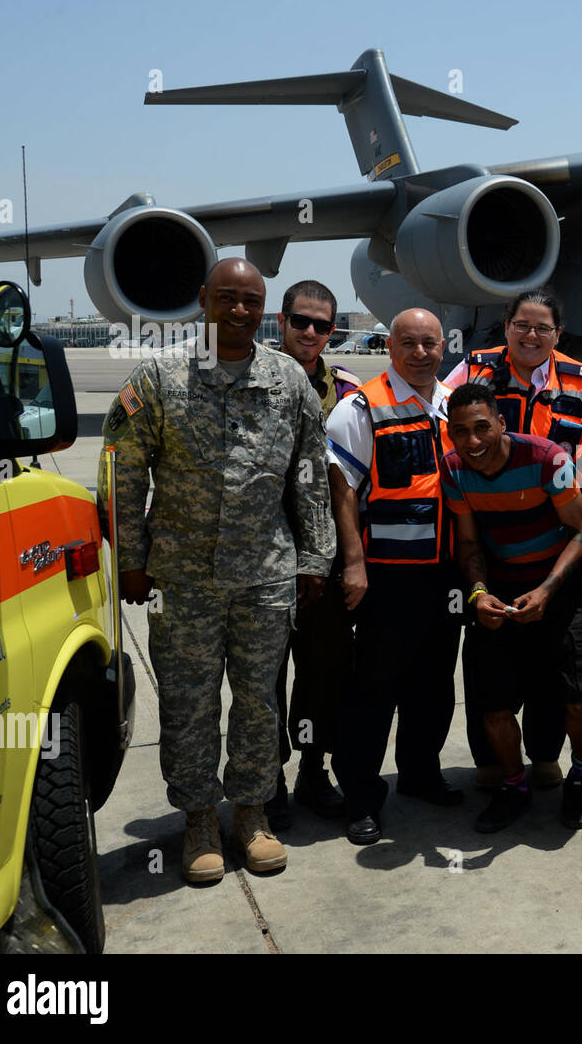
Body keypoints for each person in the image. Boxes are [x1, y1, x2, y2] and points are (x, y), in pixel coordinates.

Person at [100, 257, 335, 884]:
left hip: (265, 575)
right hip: (183, 580)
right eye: (226, 297)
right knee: (188, 703)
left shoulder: (288, 378)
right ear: (203, 298)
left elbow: (310, 475)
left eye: (250, 301)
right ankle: (200, 818)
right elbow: (122, 473)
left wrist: (315, 557)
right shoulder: (160, 377)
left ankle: (251, 813)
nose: (238, 310)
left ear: (265, 310)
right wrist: (130, 562)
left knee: (259, 702)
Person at [443, 288, 582, 790]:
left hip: (555, 525)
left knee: (553, 668)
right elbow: (445, 415)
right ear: (506, 325)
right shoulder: (474, 369)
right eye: (522, 325)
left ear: (557, 334)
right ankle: (496, 765)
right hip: (488, 530)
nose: (531, 335)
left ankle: (547, 757)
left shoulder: (581, 379)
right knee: (490, 671)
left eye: (542, 328)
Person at [326, 308, 464, 846]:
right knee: (375, 688)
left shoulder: (454, 405)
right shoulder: (361, 408)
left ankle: (420, 773)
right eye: (409, 343)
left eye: (430, 343)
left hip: (444, 574)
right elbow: (342, 491)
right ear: (391, 347)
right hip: (387, 576)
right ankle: (360, 796)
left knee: (434, 683)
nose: (421, 353)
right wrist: (354, 563)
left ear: (443, 347)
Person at [266, 280, 362, 828]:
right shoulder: (253, 379)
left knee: (325, 669)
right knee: (264, 675)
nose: (310, 332)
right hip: (264, 557)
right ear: (281, 322)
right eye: (300, 321)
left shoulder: (348, 392)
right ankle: (269, 779)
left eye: (322, 325)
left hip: (323, 557)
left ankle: (312, 768)